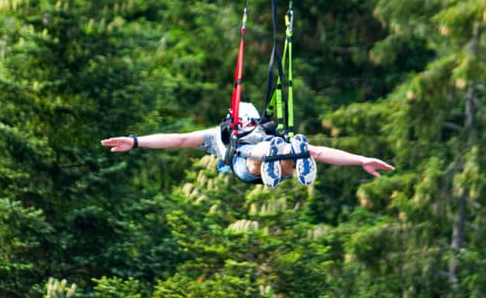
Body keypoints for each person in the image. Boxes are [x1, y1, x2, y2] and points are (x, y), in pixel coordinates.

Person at [100, 103, 394, 188]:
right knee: (292, 152)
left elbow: (177, 140)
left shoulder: (217, 135)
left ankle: (280, 160)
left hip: (251, 165)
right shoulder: (261, 134)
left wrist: (136, 142)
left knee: (256, 161)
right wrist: (361, 160)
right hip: (264, 156)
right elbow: (319, 152)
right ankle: (286, 158)